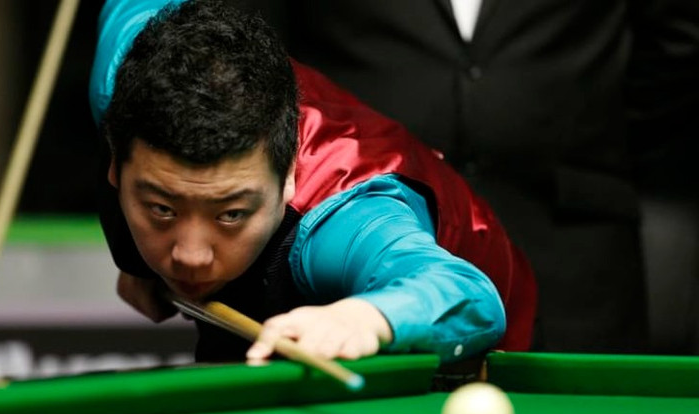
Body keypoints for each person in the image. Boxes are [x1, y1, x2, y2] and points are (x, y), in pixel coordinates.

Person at [222, 0, 697, 354]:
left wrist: (580, 140)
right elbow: (254, 40)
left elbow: (676, 43)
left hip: (573, 244)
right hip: (361, 217)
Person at [88, 0, 537, 363]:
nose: (190, 255)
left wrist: (364, 318)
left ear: (289, 179)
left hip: (457, 344)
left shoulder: (343, 216)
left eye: (230, 215)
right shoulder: (129, 72)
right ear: (117, 161)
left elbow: (470, 296)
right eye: (162, 209)